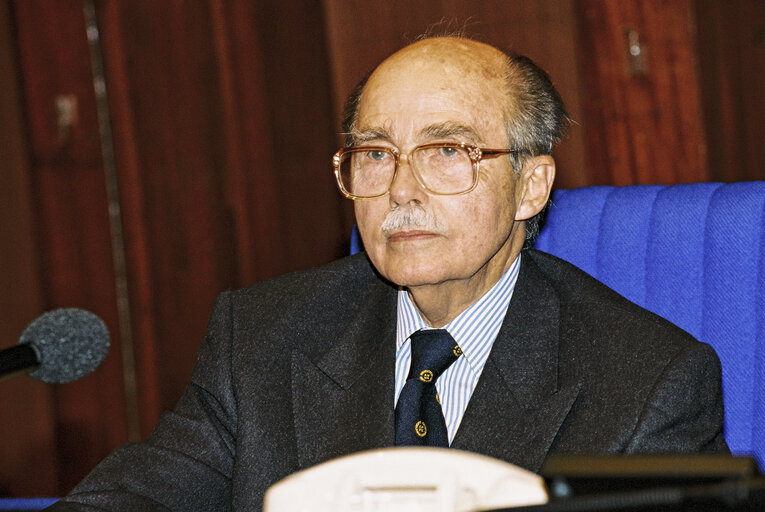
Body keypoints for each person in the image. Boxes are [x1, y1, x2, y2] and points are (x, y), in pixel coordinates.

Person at [48, 36, 727, 512]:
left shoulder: (647, 383)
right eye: (375, 154)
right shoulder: (259, 339)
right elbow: (139, 496)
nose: (400, 189)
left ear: (530, 186)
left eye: (446, 150)